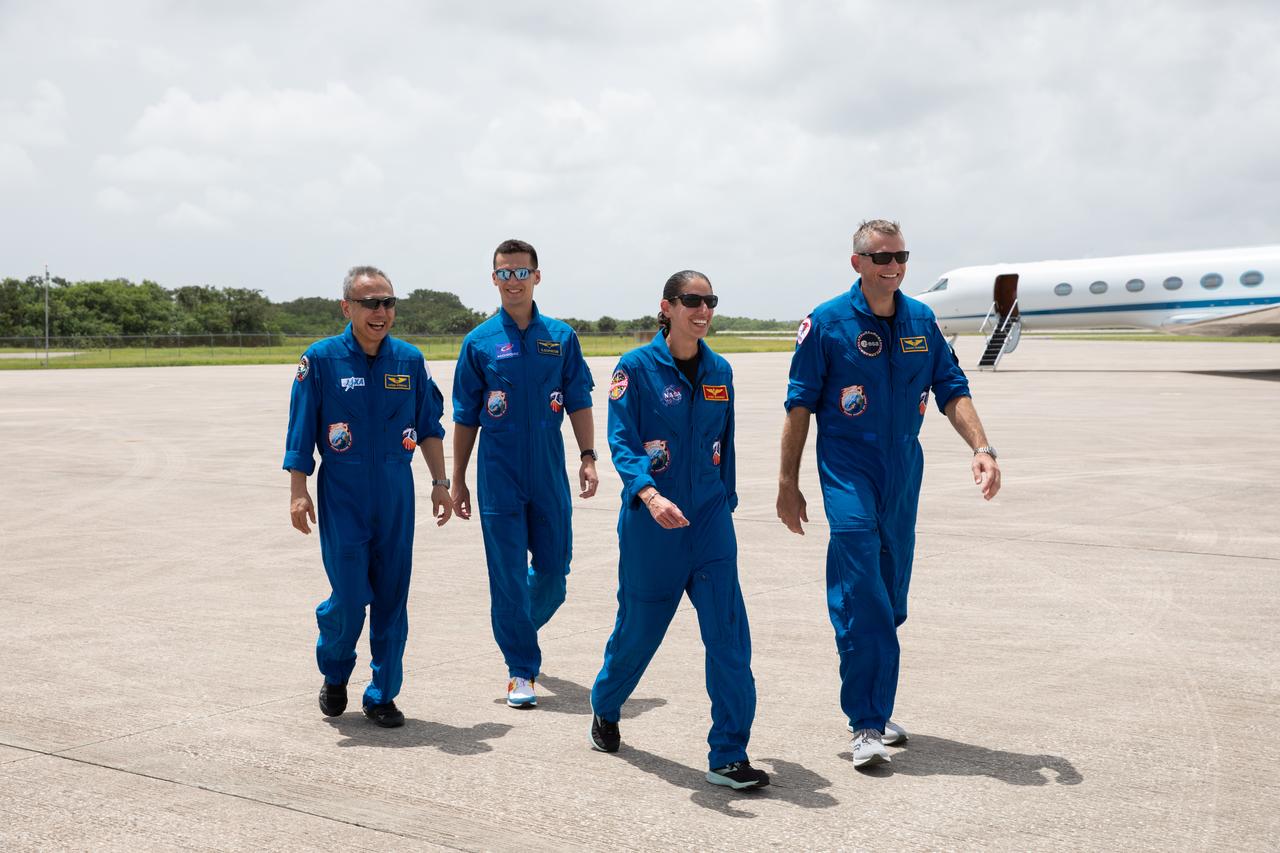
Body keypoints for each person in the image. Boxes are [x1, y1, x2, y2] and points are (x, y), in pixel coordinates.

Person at [776, 220, 1002, 768]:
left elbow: (952, 389)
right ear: (857, 263)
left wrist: (982, 447)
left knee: (890, 596)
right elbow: (800, 406)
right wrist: (788, 483)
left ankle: (874, 697)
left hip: (903, 466)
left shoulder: (922, 320)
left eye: (901, 255)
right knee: (862, 589)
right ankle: (866, 723)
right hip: (848, 465)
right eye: (881, 258)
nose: (893, 266)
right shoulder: (826, 323)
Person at [589, 270, 769, 791]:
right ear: (667, 307)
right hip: (653, 527)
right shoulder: (636, 368)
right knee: (638, 634)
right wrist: (647, 493)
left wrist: (727, 500)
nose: (703, 310)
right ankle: (606, 704)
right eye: (692, 301)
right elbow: (621, 441)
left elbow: (725, 445)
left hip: (710, 526)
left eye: (710, 301)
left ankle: (729, 754)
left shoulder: (721, 371)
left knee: (730, 639)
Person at [284, 265, 454, 728]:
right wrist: (298, 492)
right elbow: (301, 432)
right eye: (370, 303)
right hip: (343, 493)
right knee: (349, 594)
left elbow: (429, 428)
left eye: (388, 303)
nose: (381, 312)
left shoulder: (409, 361)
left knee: (392, 597)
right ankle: (335, 670)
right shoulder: (319, 361)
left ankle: (381, 694)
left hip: (395, 493)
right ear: (347, 308)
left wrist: (441, 483)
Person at [451, 238, 598, 709]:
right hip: (499, 474)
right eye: (504, 273)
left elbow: (579, 399)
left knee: (554, 574)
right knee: (508, 576)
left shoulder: (561, 336)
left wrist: (589, 456)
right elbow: (464, 416)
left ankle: (516, 626)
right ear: (494, 279)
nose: (513, 280)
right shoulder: (478, 343)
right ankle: (520, 669)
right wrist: (457, 479)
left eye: (521, 272)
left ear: (537, 276)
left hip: (548, 471)